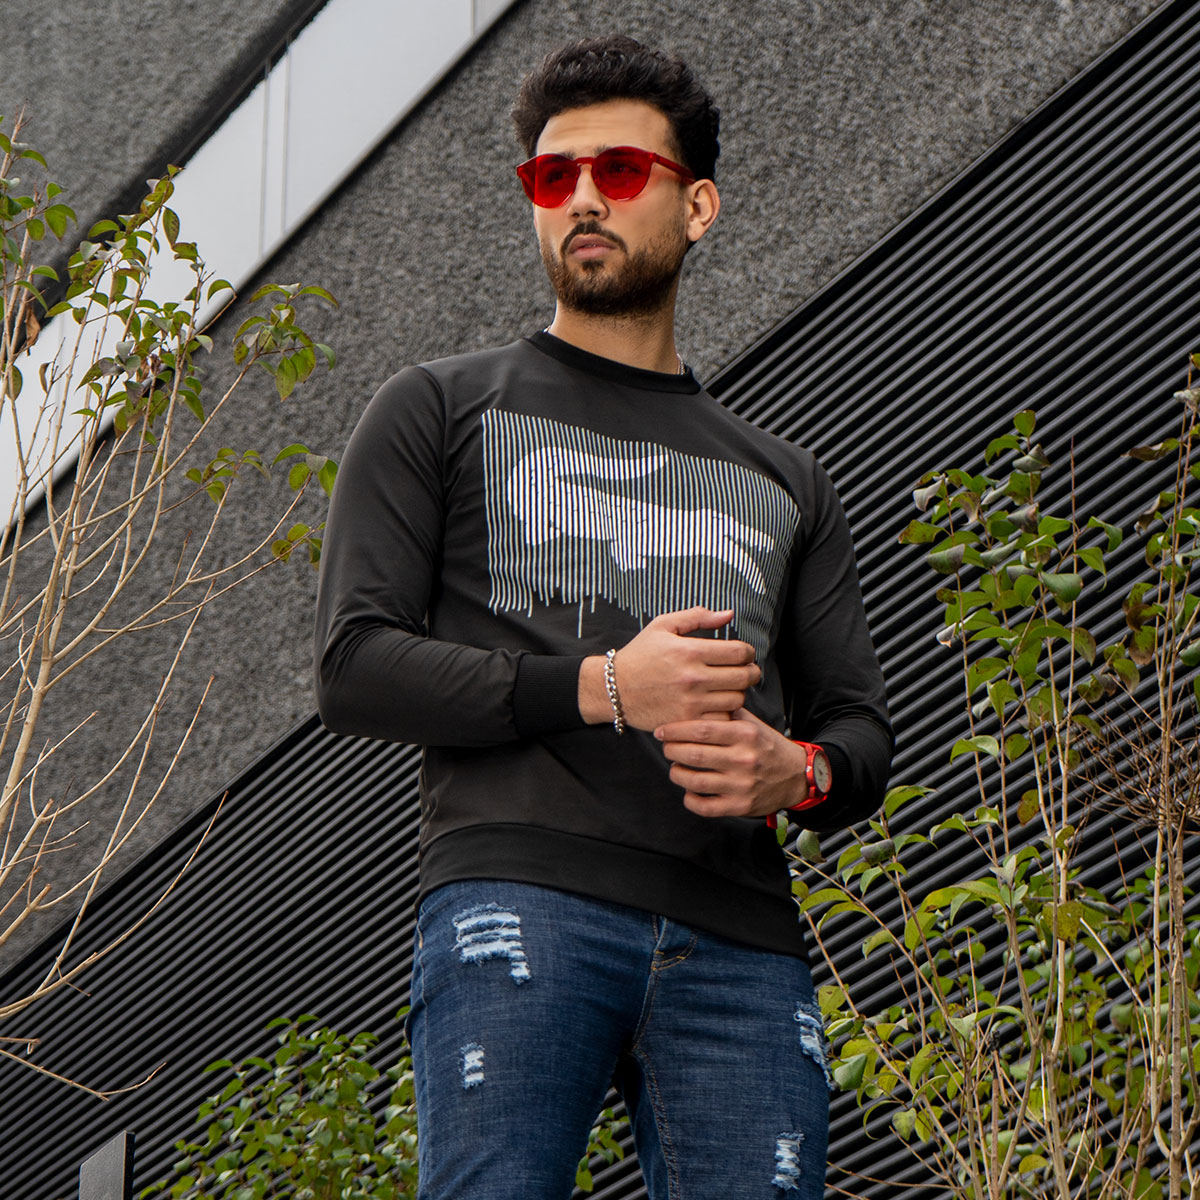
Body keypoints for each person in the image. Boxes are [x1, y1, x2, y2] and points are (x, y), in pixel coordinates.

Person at [314, 34, 892, 1200]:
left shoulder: (787, 479)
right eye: (552, 176)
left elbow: (860, 733)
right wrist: (607, 686)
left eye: (619, 171)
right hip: (514, 900)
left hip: (741, 942)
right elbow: (354, 665)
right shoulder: (436, 407)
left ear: (699, 205)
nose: (581, 197)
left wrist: (797, 774)